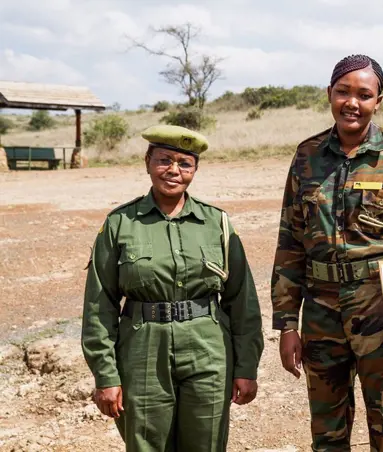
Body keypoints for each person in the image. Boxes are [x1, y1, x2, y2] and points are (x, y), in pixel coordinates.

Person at [271, 54, 383, 451]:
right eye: (343, 92)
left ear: (378, 101)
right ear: (329, 94)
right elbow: (290, 243)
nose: (353, 103)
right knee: (327, 435)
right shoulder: (306, 155)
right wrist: (287, 324)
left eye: (364, 95)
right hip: (321, 312)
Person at [81, 124, 264, 451]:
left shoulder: (216, 223)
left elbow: (242, 301)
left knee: (205, 443)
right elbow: (100, 305)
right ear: (148, 161)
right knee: (147, 443)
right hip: (143, 349)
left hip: (208, 349)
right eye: (164, 160)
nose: (174, 171)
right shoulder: (120, 223)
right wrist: (106, 375)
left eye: (185, 163)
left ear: (195, 169)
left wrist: (246, 367)